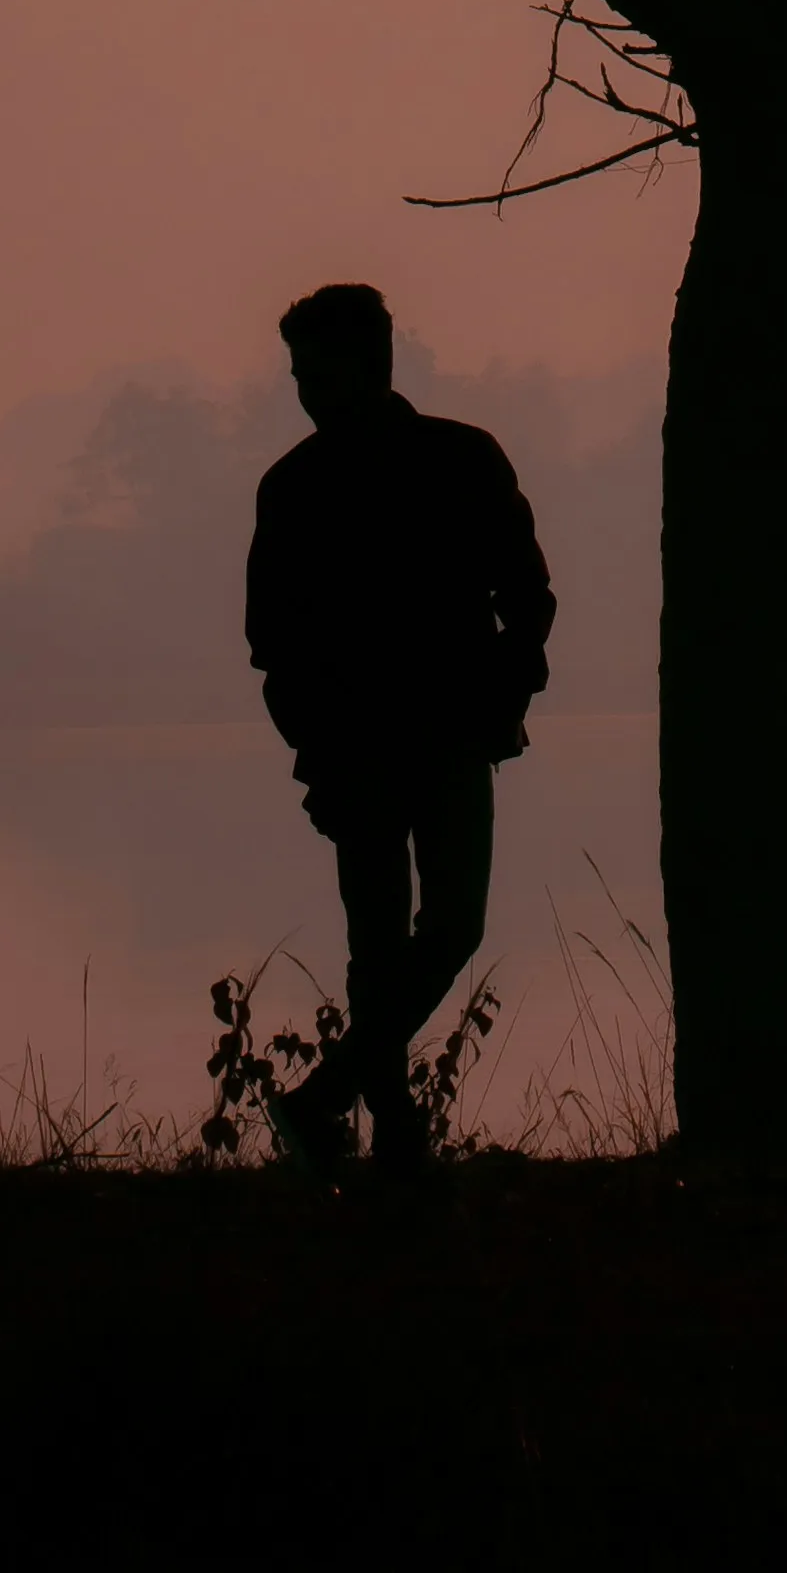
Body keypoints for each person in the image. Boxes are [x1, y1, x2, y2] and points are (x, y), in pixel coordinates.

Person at [243, 282, 554, 1167]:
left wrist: (509, 689)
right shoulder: (294, 487)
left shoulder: (461, 460)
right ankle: (393, 1133)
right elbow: (275, 643)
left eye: (315, 373)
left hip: (453, 734)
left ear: (370, 365)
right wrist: (312, 749)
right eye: (297, 376)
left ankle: (333, 1103)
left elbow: (526, 595)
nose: (303, 392)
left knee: (449, 929)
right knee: (377, 944)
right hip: (355, 748)